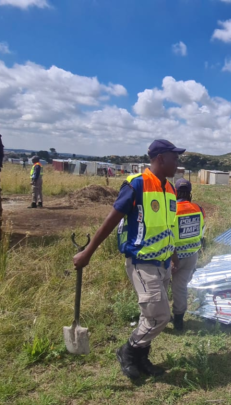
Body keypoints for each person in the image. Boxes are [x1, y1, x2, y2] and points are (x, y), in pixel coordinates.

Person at [73, 139, 184, 380]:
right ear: (160, 158)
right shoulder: (137, 184)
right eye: (174, 158)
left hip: (163, 263)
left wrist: (174, 256)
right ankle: (129, 351)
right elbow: (111, 220)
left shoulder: (170, 189)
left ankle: (141, 359)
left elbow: (170, 227)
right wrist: (87, 253)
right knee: (161, 316)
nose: (178, 163)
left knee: (149, 315)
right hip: (142, 263)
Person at [171, 178, 205, 331]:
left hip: (172, 257)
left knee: (160, 286)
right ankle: (178, 320)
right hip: (191, 256)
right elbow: (202, 229)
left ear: (175, 192)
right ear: (190, 193)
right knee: (180, 287)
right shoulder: (199, 209)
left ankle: (159, 317)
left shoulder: (171, 210)